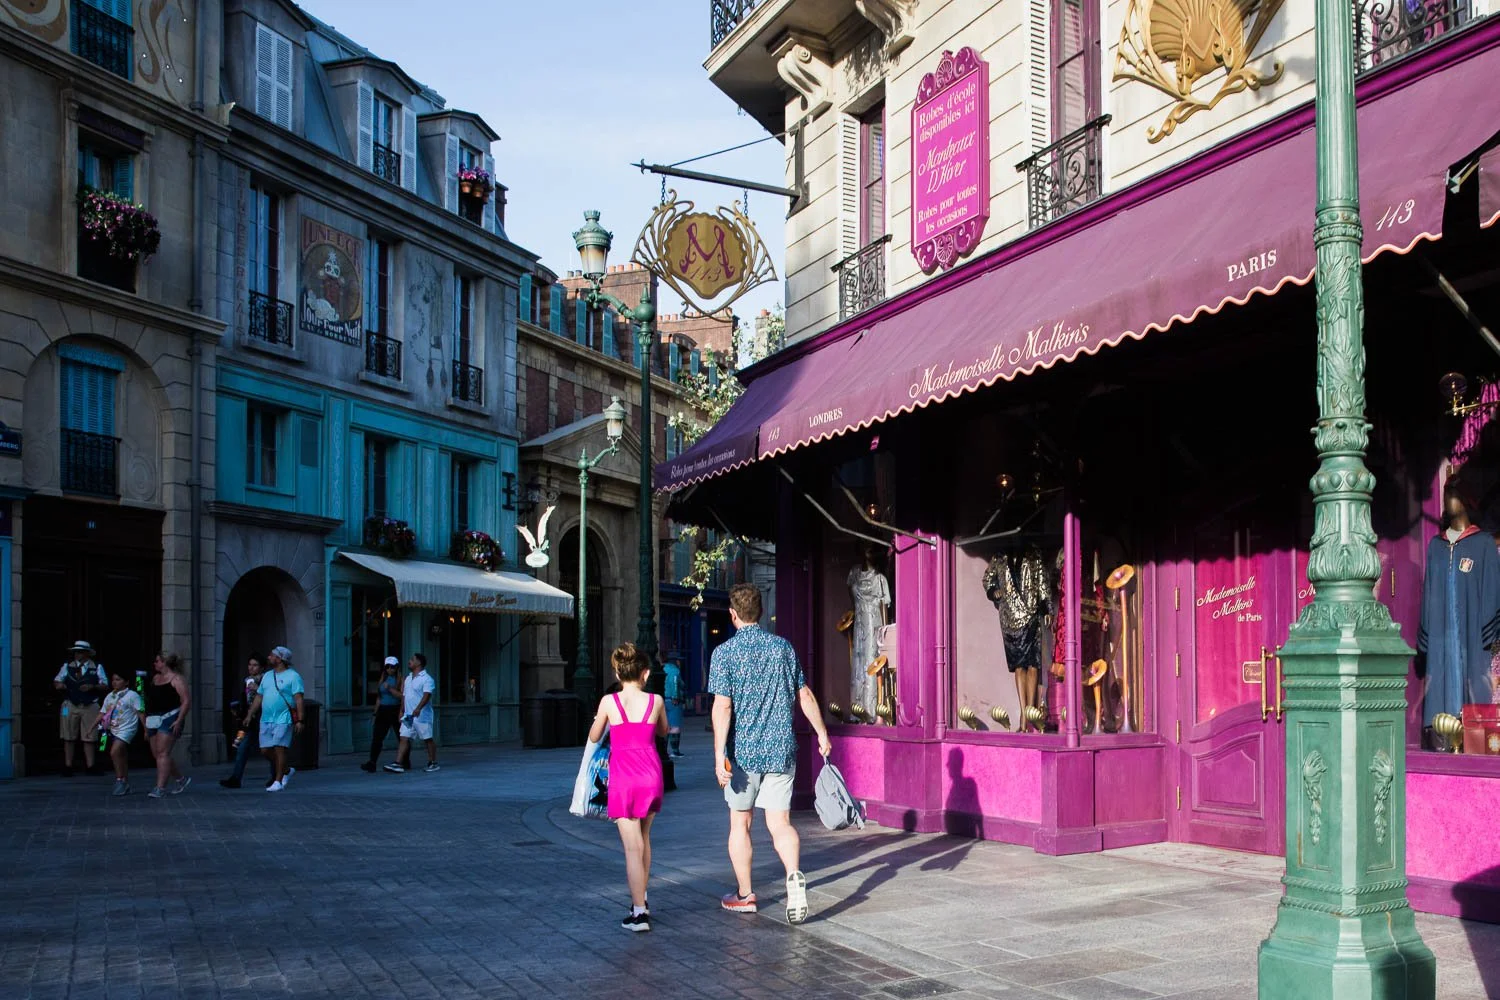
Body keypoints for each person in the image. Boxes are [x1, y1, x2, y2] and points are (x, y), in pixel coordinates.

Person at [710, 583, 832, 925]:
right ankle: (794, 875)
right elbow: (804, 694)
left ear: (733, 615)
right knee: (780, 823)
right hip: (781, 750)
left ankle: (745, 895)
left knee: (741, 823)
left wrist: (719, 753)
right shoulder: (783, 649)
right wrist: (822, 733)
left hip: (744, 755)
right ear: (761, 612)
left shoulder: (725, 654)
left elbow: (722, 706)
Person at [587, 642, 666, 933]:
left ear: (617, 673)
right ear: (645, 674)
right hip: (651, 773)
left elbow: (595, 736)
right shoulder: (655, 701)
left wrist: (604, 720)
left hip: (624, 775)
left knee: (631, 847)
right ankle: (642, 897)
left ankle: (639, 912)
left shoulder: (610, 702)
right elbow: (664, 730)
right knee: (644, 839)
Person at [242, 646, 305, 792]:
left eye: (272, 655)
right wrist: (250, 714)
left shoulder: (293, 676)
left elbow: (299, 699)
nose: (269, 657)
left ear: (280, 659)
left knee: (279, 749)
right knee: (265, 750)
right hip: (266, 718)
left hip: (284, 718)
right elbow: (259, 696)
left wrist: (300, 720)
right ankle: (286, 769)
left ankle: (278, 781)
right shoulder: (268, 676)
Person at [54, 640, 108, 776]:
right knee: (68, 735)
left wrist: (93, 687)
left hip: (90, 704)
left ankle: (91, 766)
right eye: (75, 652)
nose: (77, 654)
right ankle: (68, 766)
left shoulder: (96, 667)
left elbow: (105, 685)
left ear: (87, 654)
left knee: (89, 736)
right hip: (69, 704)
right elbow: (57, 681)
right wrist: (60, 685)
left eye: (80, 652)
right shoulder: (67, 667)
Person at [143, 651, 192, 799]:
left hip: (169, 717)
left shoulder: (177, 679)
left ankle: (160, 787)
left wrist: (179, 719)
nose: (155, 664)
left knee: (163, 753)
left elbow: (186, 701)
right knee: (157, 754)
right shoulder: (156, 678)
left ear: (164, 662)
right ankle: (181, 779)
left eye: (157, 661)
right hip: (153, 718)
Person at [385, 653, 438, 773]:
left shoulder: (427, 679)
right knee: (404, 737)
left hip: (422, 716)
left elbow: (427, 695)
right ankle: (398, 763)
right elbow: (404, 696)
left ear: (419, 663)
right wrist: (401, 711)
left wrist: (418, 708)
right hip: (408, 716)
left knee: (427, 739)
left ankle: (433, 762)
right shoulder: (408, 678)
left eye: (412, 660)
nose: (409, 661)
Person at [220, 654, 266, 789]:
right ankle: (236, 778)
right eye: (250, 664)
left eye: (255, 665)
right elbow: (244, 699)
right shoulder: (247, 680)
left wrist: (257, 689)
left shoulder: (265, 680)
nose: (251, 667)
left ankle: (277, 776)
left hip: (262, 718)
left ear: (261, 667)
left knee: (268, 749)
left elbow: (270, 697)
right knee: (240, 746)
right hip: (247, 721)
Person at [97, 669, 144, 796]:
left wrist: (146, 729)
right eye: (113, 680)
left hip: (127, 729)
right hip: (114, 728)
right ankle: (125, 781)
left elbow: (141, 712)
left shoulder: (133, 695)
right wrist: (92, 726)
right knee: (121, 754)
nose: (114, 682)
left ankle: (119, 779)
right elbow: (102, 712)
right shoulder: (110, 695)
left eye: (118, 680)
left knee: (115, 751)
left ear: (126, 682)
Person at [363, 657, 403, 773]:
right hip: (383, 710)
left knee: (401, 737)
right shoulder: (383, 677)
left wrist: (390, 689)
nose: (390, 669)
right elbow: (379, 697)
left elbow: (402, 696)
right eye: (388, 667)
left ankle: (404, 761)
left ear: (396, 668)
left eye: (393, 667)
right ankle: (372, 763)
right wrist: (375, 713)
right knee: (377, 737)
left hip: (395, 709)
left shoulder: (400, 678)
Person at [662, 655, 686, 759]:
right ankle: (675, 750)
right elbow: (676, 683)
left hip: (663, 700)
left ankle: (663, 750)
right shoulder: (675, 671)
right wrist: (676, 696)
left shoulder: (662, 669)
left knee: (665, 726)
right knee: (675, 726)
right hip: (673, 701)